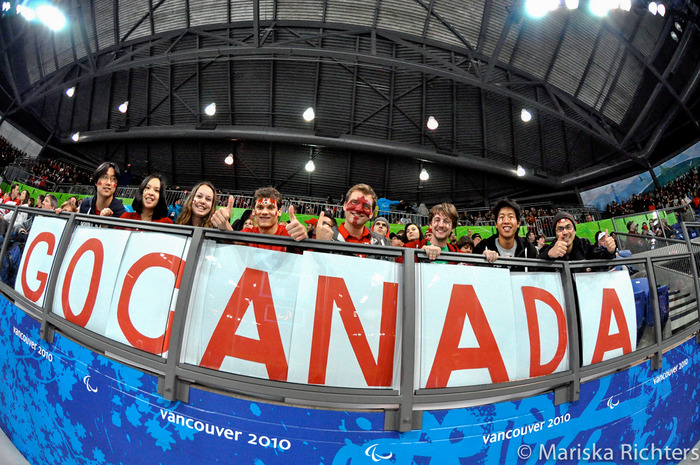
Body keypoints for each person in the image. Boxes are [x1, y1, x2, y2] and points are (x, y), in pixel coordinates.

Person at [212, 187, 308, 251]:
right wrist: (224, 225)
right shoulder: (249, 231)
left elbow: (308, 255)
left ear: (279, 212)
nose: (265, 212)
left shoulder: (287, 233)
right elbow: (234, 241)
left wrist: (303, 238)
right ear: (254, 211)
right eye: (260, 207)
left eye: (270, 207)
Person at [316, 183, 389, 246]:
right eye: (354, 202)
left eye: (366, 206)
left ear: (371, 214)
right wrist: (321, 246)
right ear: (345, 206)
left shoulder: (383, 243)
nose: (359, 209)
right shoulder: (326, 237)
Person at [473, 199, 538, 264]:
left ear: (518, 223)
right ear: (496, 224)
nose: (506, 221)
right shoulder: (482, 248)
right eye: (502, 217)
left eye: (511, 217)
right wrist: (482, 260)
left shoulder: (529, 249)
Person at [538, 211, 616, 261]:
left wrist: (610, 250)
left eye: (568, 227)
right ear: (555, 234)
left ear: (574, 231)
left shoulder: (585, 244)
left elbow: (601, 257)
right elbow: (534, 269)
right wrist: (548, 255)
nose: (565, 232)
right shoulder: (549, 250)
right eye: (560, 229)